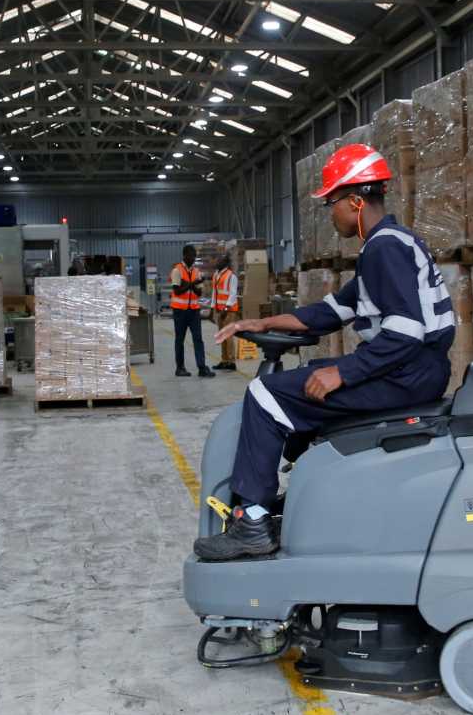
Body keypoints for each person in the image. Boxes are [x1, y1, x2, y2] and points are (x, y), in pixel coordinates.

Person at [193, 143, 456, 561]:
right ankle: (305, 488)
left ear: (355, 202)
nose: (330, 213)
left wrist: (344, 372)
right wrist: (261, 323)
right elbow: (330, 312)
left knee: (264, 393)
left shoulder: (384, 249)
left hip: (407, 373)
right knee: (312, 372)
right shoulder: (388, 244)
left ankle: (253, 521)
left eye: (331, 203)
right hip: (411, 369)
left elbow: (406, 332)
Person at [171, 245, 215, 378]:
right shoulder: (177, 270)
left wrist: (194, 284)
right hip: (180, 311)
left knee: (198, 339)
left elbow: (199, 293)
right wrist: (191, 284)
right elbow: (177, 291)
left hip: (194, 311)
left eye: (194, 256)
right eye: (191, 256)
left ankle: (202, 368)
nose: (193, 259)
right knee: (180, 340)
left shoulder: (196, 272)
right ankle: (180, 368)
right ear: (184, 256)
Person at [211, 253, 240, 371]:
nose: (217, 262)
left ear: (225, 263)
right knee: (221, 336)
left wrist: (226, 309)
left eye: (219, 260)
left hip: (229, 311)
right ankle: (224, 360)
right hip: (219, 310)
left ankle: (232, 362)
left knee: (228, 336)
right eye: (217, 259)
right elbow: (214, 293)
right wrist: (212, 308)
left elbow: (233, 294)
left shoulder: (231, 276)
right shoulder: (216, 275)